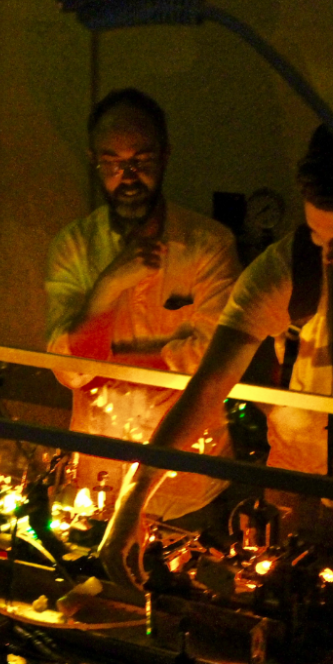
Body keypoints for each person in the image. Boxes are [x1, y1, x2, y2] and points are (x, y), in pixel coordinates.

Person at [98, 117, 333, 589]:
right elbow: (206, 391)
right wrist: (132, 502)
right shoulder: (288, 267)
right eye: (317, 236)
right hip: (304, 493)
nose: (328, 256)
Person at [45, 88, 242, 523]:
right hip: (98, 482)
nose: (127, 176)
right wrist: (108, 286)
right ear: (94, 160)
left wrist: (110, 361)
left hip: (188, 484)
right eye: (113, 162)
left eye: (141, 160)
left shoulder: (208, 246)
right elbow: (69, 370)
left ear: (165, 156)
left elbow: (212, 363)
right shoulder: (74, 247)